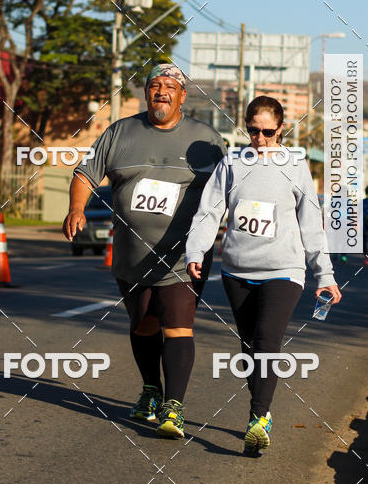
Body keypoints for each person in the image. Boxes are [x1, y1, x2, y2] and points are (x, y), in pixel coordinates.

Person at [62, 64, 226, 439]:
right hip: (132, 254)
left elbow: (228, 188)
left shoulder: (206, 139)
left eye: (170, 86)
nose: (162, 92)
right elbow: (85, 174)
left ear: (183, 96)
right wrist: (76, 209)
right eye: (155, 85)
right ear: (145, 93)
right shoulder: (120, 132)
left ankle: (175, 406)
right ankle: (151, 389)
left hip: (184, 255)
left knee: (177, 323)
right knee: (144, 324)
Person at [185, 95, 341, 456]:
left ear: (281, 129)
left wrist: (325, 275)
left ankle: (259, 417)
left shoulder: (296, 166)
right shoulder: (233, 163)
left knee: (268, 341)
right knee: (249, 346)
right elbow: (210, 212)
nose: (260, 139)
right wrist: (196, 250)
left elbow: (311, 225)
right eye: (253, 131)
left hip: (284, 270)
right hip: (237, 270)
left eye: (267, 132)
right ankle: (258, 407)